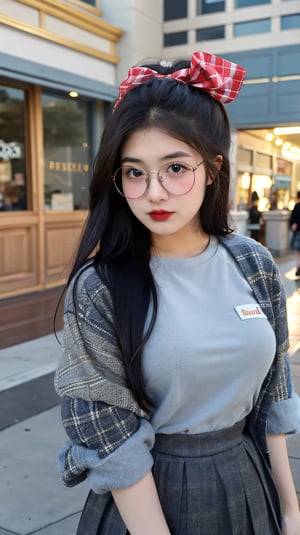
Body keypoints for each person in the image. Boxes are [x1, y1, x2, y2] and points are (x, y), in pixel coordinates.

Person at [54, 51, 300, 534]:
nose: (156, 192)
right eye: (135, 172)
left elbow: (274, 391)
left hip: (248, 480)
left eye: (175, 167)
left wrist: (290, 510)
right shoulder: (100, 286)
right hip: (144, 498)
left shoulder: (252, 263)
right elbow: (107, 430)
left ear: (212, 169)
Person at [290, 191, 300, 277]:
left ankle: (298, 267)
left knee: (298, 253)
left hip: (298, 232)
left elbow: (293, 219)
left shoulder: (297, 206)